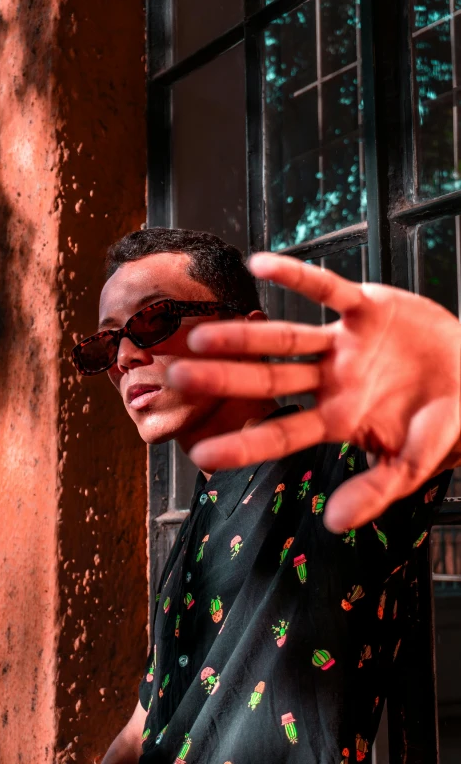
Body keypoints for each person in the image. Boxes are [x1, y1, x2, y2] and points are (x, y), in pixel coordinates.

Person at [71, 228, 461, 764]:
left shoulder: (336, 468)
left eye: (152, 320)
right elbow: (146, 723)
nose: (124, 357)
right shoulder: (197, 514)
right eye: (105, 342)